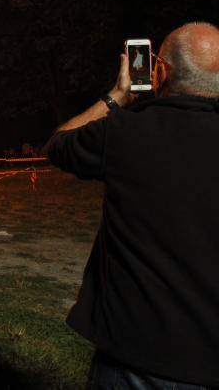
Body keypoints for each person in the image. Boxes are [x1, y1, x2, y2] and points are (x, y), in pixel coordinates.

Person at [45, 22, 219, 389]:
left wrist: (116, 96)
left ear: (159, 71)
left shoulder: (126, 133)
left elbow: (60, 144)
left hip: (135, 361)